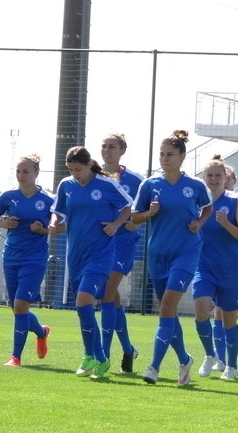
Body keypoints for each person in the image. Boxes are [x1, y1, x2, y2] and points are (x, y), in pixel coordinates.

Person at [131, 130, 212, 385]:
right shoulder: (150, 185)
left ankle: (153, 367)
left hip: (186, 252)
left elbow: (208, 207)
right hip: (158, 254)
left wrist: (199, 223)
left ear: (182, 156)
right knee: (169, 311)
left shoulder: (195, 186)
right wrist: (149, 213)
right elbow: (135, 216)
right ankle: (185, 359)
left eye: (170, 154)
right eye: (162, 154)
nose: (165, 159)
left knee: (166, 306)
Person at [48, 146, 132, 380]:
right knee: (82, 308)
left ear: (88, 165)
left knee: (83, 301)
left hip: (100, 254)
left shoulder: (106, 185)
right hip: (75, 255)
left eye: (79, 169)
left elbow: (127, 206)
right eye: (72, 170)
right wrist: (55, 222)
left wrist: (116, 224)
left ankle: (91, 355)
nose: (76, 174)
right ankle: (98, 357)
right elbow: (58, 211)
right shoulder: (67, 185)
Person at [0, 155, 53, 366]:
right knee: (17, 308)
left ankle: (16, 357)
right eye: (18, 171)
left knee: (21, 303)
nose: (21, 175)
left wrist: (41, 230)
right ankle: (41, 332)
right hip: (11, 257)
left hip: (35, 259)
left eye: (26, 171)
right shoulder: (8, 196)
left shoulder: (49, 199)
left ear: (36, 173)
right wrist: (4, 224)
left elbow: (60, 225)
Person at [194, 155, 238, 379]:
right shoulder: (197, 202)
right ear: (203, 177)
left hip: (230, 268)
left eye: (218, 175)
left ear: (225, 178)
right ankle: (210, 355)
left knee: (228, 320)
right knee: (201, 311)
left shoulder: (235, 200)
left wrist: (226, 224)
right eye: (210, 175)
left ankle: (232, 366)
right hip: (203, 267)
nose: (214, 179)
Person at [99, 133, 145, 373]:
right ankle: (127, 348)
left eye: (112, 147)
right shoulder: (94, 176)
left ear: (122, 151)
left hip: (124, 243)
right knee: (111, 296)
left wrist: (136, 222)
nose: (107, 150)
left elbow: (150, 205)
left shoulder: (135, 179)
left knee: (107, 293)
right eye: (104, 146)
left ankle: (103, 356)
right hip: (100, 244)